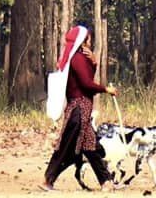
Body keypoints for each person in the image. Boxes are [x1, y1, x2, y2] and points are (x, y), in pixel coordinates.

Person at [41, 25, 119, 191]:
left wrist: (94, 63)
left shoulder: (77, 58)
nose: (90, 42)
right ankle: (48, 179)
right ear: (84, 41)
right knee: (67, 147)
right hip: (79, 110)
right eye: (89, 39)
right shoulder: (77, 59)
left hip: (79, 109)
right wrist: (106, 89)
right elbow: (86, 84)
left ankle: (106, 182)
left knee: (89, 146)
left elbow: (86, 77)